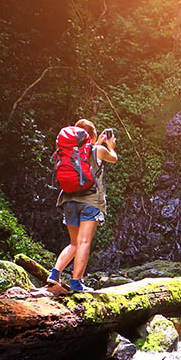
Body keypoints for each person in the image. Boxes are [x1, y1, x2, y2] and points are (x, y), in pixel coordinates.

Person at [47, 118, 117, 292]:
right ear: (91, 136)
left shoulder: (66, 151)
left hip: (69, 200)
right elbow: (114, 159)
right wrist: (110, 146)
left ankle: (54, 275)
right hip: (90, 202)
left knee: (74, 243)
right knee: (84, 241)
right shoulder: (99, 150)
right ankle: (76, 283)